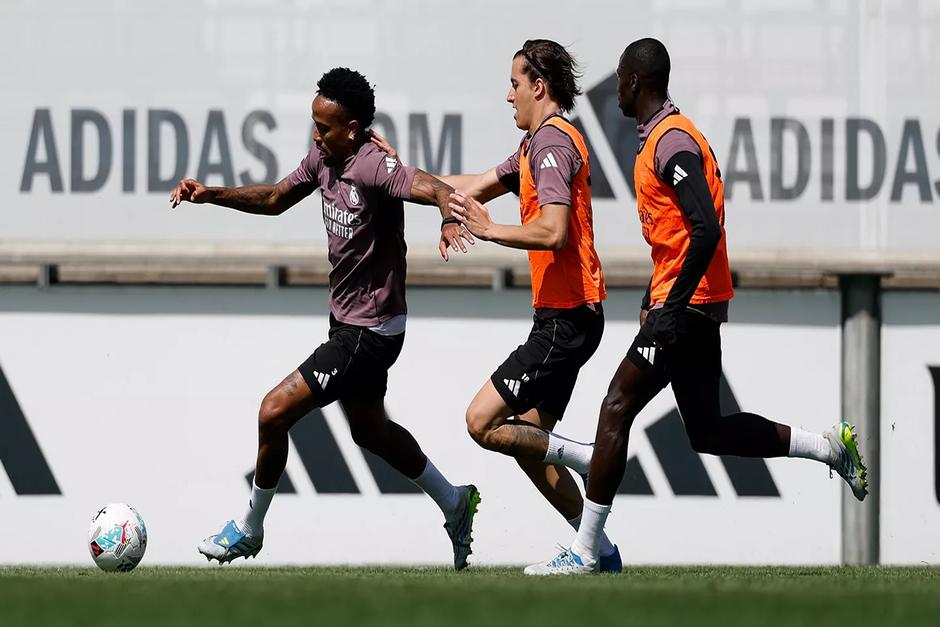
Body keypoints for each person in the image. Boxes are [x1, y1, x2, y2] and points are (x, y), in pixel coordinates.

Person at [525, 38, 869, 575]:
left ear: (637, 82)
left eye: (619, 79)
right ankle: (827, 448)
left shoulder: (670, 141)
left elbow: (705, 228)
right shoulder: (663, 138)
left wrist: (671, 305)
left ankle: (588, 551)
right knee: (707, 429)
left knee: (616, 408)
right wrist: (654, 297)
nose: (615, 89)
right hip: (690, 305)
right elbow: (678, 237)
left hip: (686, 309)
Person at [169, 67, 481, 570]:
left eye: (325, 126)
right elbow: (274, 198)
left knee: (273, 411)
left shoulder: (375, 165)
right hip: (347, 323)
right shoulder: (323, 158)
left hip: (371, 332)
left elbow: (438, 188)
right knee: (370, 431)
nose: (316, 134)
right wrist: (211, 194)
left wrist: (448, 218)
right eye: (314, 124)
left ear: (352, 129)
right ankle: (454, 501)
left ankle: (250, 529)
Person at [375, 39, 621, 572]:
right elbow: (472, 186)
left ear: (539, 86)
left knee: (481, 422)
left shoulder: (553, 146)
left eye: (514, 84)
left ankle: (583, 456)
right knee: (529, 447)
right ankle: (595, 551)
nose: (507, 96)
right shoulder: (536, 146)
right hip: (568, 315)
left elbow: (554, 231)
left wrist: (488, 232)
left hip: (566, 318)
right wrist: (397, 174)